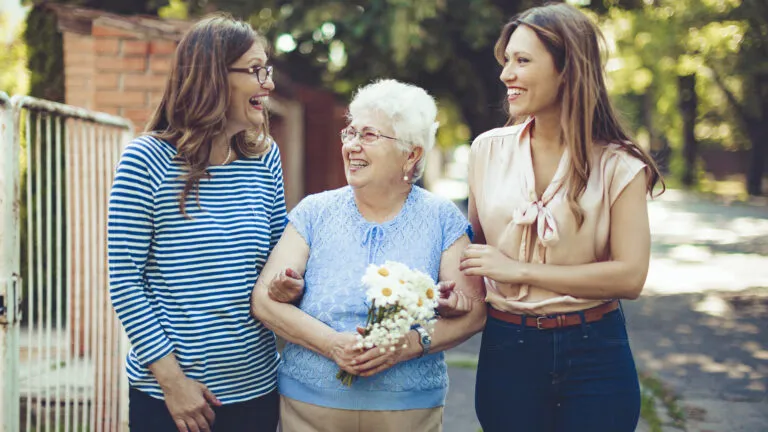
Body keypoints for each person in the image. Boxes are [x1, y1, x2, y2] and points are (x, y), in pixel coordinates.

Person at [460, 3, 664, 432]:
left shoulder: (619, 165)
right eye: (506, 61)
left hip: (596, 350)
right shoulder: (485, 151)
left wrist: (519, 270)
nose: (505, 75)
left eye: (522, 61)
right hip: (508, 348)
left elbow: (630, 276)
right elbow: (476, 257)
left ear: (567, 69)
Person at [250, 79, 486, 432]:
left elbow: (474, 311)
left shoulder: (442, 219)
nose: (352, 146)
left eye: (369, 136)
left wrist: (407, 345)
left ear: (412, 153)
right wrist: (332, 345)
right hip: (310, 407)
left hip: (407, 409)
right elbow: (264, 301)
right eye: (350, 133)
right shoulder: (314, 212)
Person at [107, 14, 284, 432]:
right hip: (174, 401)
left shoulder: (265, 158)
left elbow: (279, 259)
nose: (268, 84)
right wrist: (172, 383)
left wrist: (287, 282)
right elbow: (126, 281)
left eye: (267, 70)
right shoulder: (144, 161)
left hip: (258, 392)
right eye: (256, 70)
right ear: (212, 78)